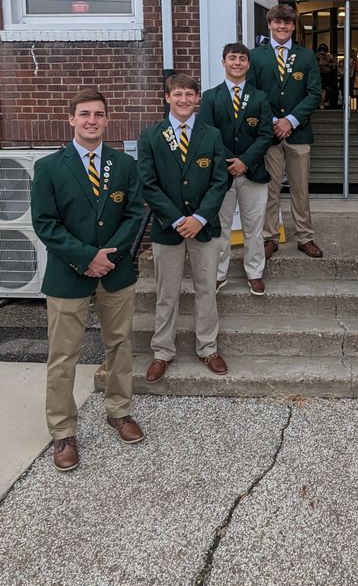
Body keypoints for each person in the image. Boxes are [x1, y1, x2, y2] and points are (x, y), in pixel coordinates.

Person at [31, 87, 145, 472]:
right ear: (71, 119)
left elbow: (133, 214)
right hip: (68, 275)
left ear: (107, 119)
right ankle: (63, 432)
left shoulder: (123, 165)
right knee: (63, 356)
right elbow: (45, 223)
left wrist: (108, 256)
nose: (91, 121)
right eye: (84, 114)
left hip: (115, 273)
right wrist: (86, 258)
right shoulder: (49, 168)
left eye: (98, 114)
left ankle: (119, 411)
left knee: (120, 345)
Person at [137, 72, 229, 383]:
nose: (184, 99)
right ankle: (162, 351)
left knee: (206, 290)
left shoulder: (212, 135)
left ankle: (208, 348)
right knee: (167, 293)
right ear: (167, 98)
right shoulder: (150, 136)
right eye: (178, 94)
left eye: (190, 94)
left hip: (203, 227)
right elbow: (148, 186)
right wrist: (178, 220)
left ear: (197, 98)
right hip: (168, 228)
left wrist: (199, 218)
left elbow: (220, 181)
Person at [248, 3, 323, 259]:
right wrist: (272, 121)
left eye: (288, 23)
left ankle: (305, 236)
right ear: (269, 24)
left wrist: (290, 120)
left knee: (300, 189)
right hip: (268, 135)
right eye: (278, 22)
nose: (282, 27)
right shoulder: (256, 56)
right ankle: (270, 236)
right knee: (270, 189)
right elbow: (252, 93)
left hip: (298, 134)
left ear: (293, 26)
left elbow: (314, 94)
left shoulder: (306, 56)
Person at [198, 42, 273, 296]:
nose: (237, 63)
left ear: (248, 64)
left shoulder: (260, 97)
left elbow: (265, 136)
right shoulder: (210, 97)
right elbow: (207, 135)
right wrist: (231, 162)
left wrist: (245, 161)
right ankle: (219, 274)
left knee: (254, 227)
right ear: (223, 62)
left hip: (253, 172)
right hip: (222, 174)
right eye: (233, 58)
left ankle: (254, 272)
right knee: (221, 226)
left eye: (242, 59)